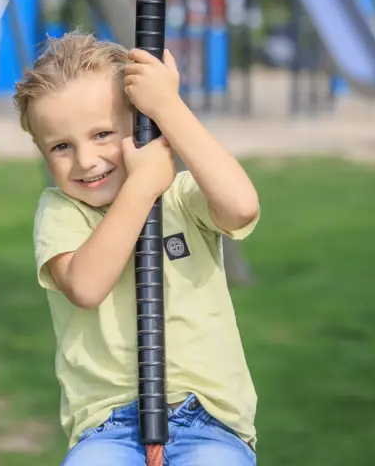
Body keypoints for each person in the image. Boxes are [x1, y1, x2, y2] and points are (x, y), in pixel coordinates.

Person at [13, 32, 261, 465]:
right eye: (61, 146)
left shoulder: (181, 197)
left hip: (210, 421)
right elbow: (86, 286)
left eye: (103, 134)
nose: (86, 160)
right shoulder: (62, 211)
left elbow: (240, 208)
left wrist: (168, 107)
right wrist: (141, 187)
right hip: (108, 427)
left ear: (140, 127)